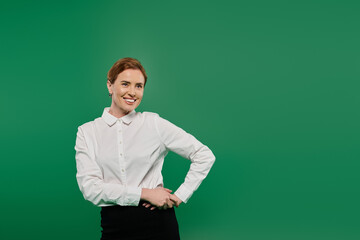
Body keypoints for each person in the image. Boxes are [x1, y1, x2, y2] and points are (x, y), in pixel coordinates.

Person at [74, 57, 216, 240]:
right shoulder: (87, 132)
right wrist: (145, 194)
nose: (132, 92)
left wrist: (181, 195)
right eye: (125, 84)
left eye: (139, 86)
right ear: (110, 86)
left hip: (158, 225)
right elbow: (90, 189)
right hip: (113, 227)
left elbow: (204, 155)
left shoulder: (153, 124)